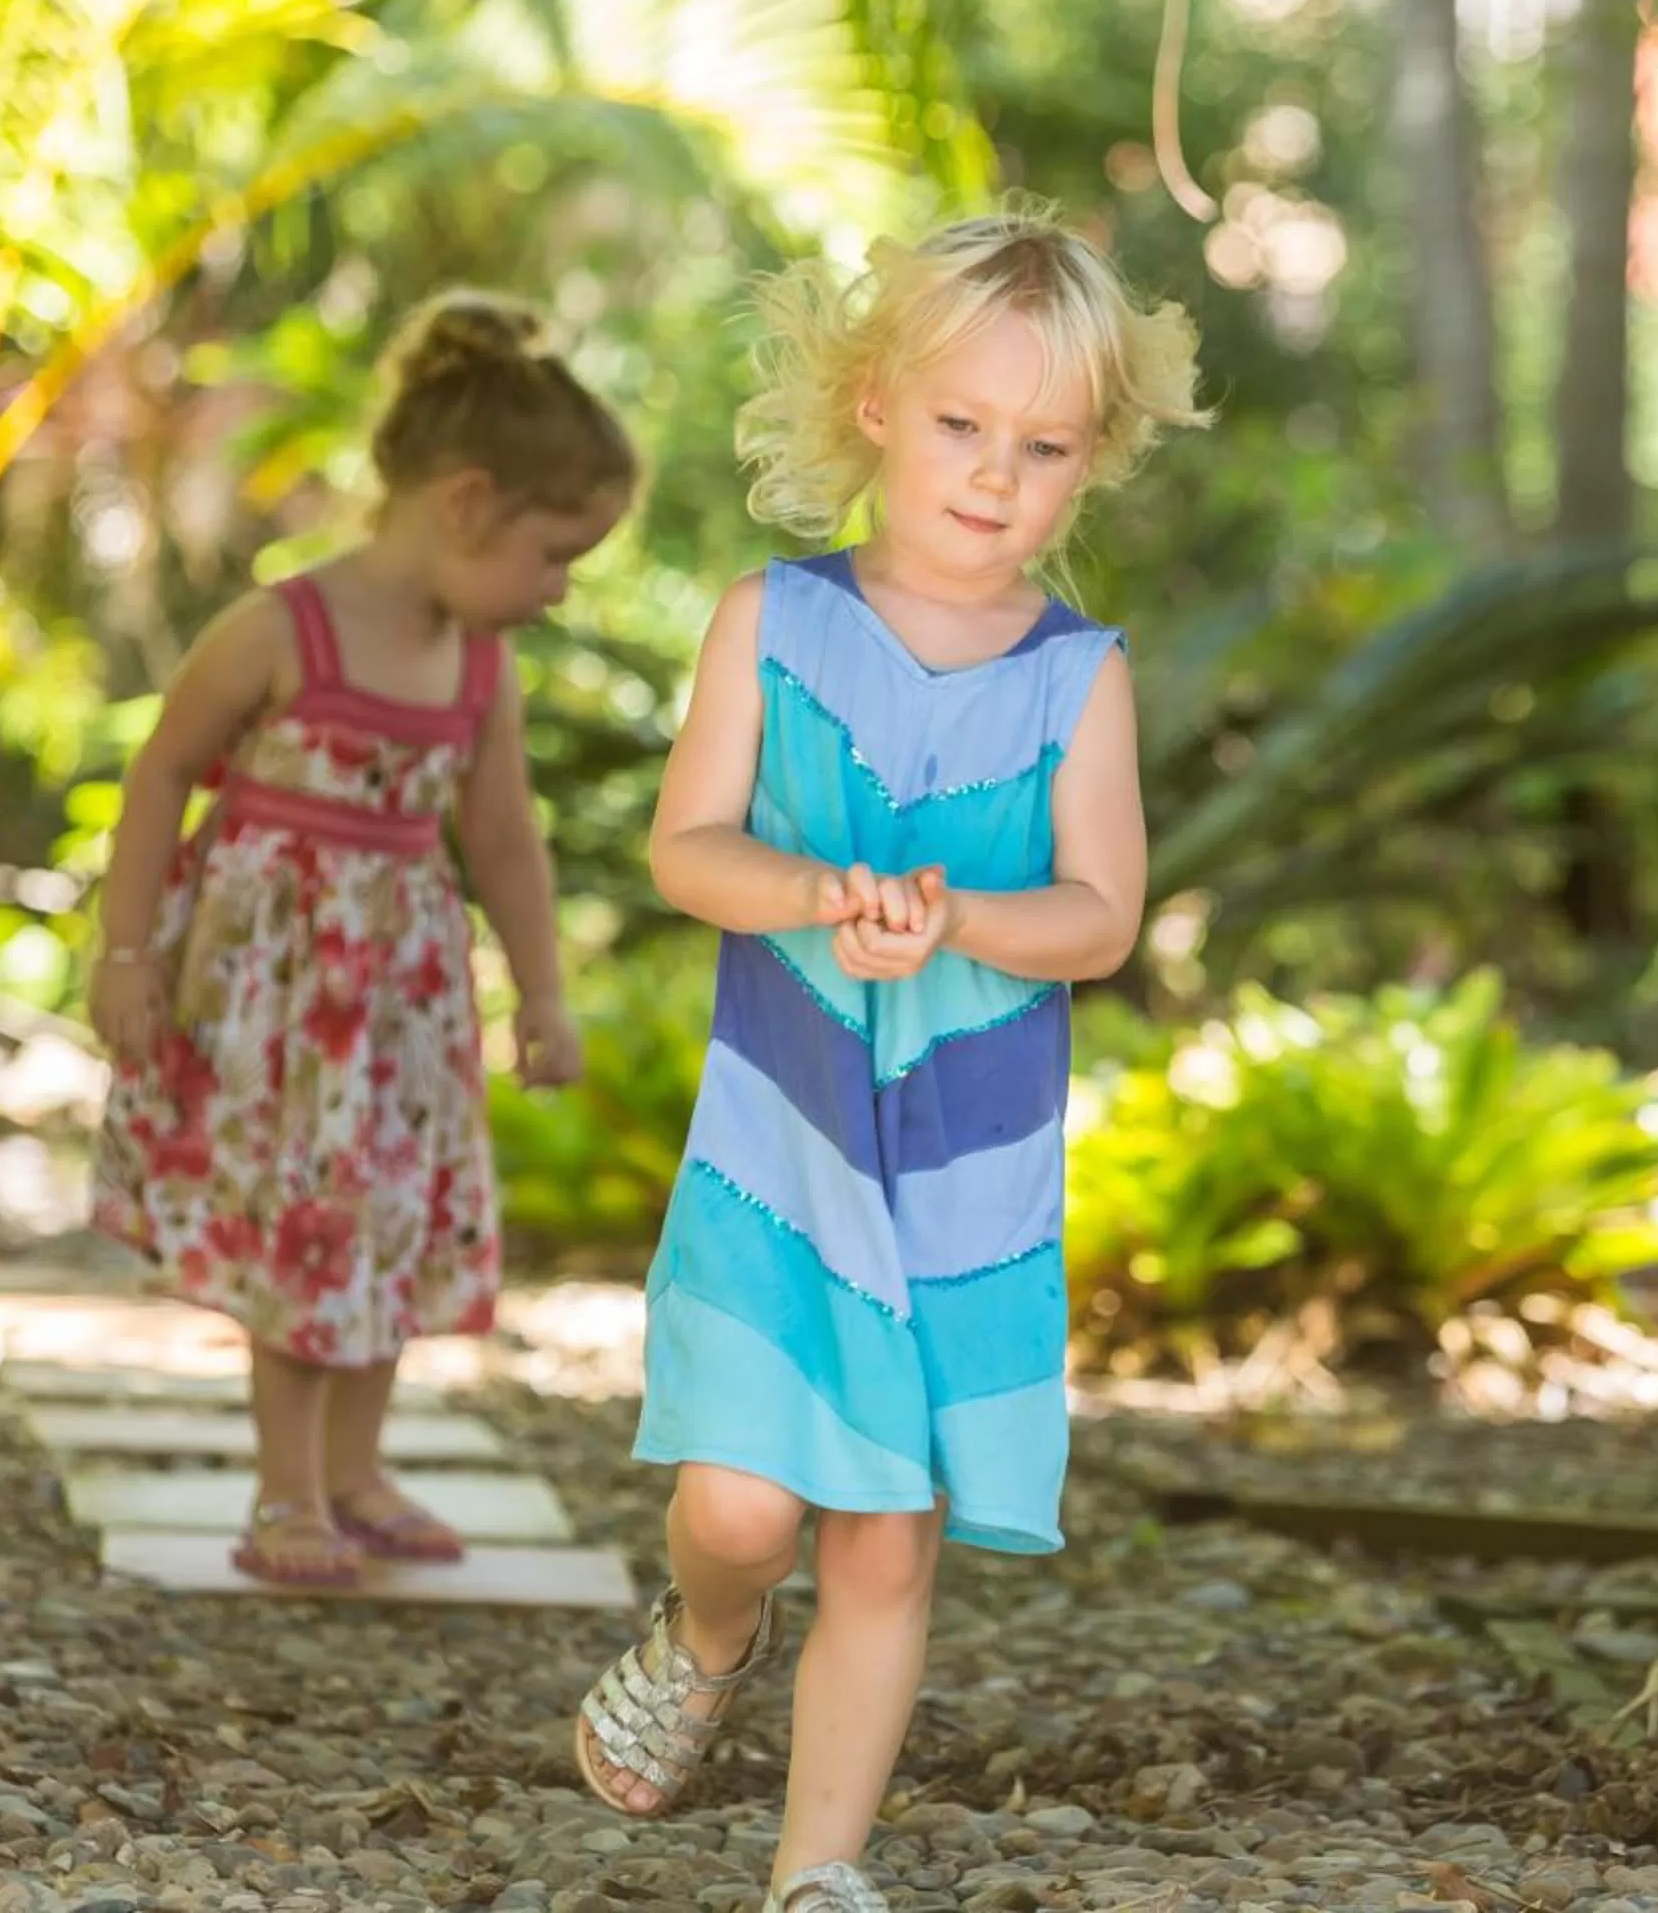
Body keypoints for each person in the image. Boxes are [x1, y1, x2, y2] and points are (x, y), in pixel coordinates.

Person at [572, 207, 1207, 1912]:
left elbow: (1101, 914)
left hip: (965, 1167)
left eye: (1044, 446)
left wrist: (961, 920)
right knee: (741, 1511)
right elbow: (686, 849)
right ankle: (707, 1638)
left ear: (1092, 464)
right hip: (781, 1144)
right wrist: (815, 893)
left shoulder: (1082, 680)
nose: (996, 476)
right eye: (960, 426)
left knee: (886, 1529)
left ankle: (817, 1872)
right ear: (873, 406)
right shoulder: (768, 624)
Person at [85, 292, 632, 1586]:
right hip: (278, 1009)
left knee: (384, 1222)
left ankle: (356, 1469)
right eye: (553, 554)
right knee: (304, 1227)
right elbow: (163, 773)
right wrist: (127, 952)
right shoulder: (282, 631)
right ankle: (287, 1490)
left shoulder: (479, 666)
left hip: (402, 1005)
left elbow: (501, 837)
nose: (556, 592)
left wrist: (541, 995)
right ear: (464, 500)